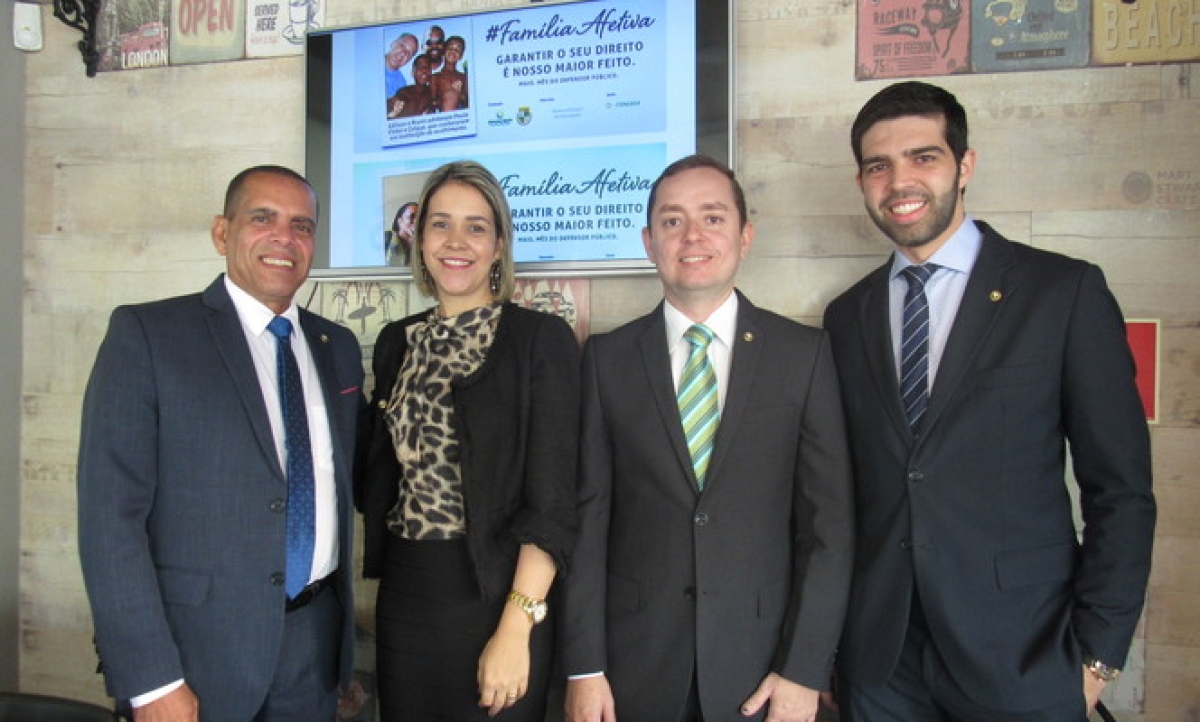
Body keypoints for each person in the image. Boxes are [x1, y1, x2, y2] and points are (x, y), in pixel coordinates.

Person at [823, 81, 1157, 720]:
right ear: (861, 180)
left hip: (1023, 657)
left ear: (964, 165)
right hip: (882, 664)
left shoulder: (1063, 293)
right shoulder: (848, 316)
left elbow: (1122, 490)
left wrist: (1097, 659)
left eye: (924, 157)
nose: (900, 182)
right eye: (878, 165)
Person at [561, 154, 854, 722]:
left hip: (764, 673)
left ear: (745, 237)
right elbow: (588, 522)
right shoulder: (606, 360)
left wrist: (803, 669)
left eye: (713, 218)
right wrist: (584, 666)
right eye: (672, 221)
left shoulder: (804, 356)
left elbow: (829, 528)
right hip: (632, 673)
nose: (692, 236)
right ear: (649, 242)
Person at [77, 165, 364, 721]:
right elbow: (109, 522)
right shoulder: (149, 336)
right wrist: (151, 680)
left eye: (302, 226)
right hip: (194, 657)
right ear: (221, 233)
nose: (285, 238)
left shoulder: (339, 347)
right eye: (264, 218)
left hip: (313, 648)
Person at [357, 160, 580, 721]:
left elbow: (552, 503)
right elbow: (380, 475)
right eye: (440, 224)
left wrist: (516, 625)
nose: (456, 242)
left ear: (499, 245)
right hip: (406, 595)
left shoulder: (539, 340)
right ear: (419, 238)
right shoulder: (395, 342)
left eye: (476, 227)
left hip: (496, 596)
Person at [388, 53, 434, 120]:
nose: (424, 70)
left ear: (430, 72)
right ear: (413, 73)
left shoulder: (433, 92)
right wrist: (392, 113)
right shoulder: (404, 92)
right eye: (420, 67)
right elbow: (391, 105)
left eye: (427, 67)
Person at [431, 36, 468, 112]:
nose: (453, 51)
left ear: (461, 56)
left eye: (457, 50)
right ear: (444, 51)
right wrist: (445, 98)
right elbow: (431, 101)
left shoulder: (464, 77)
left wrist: (460, 94)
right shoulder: (435, 77)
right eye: (450, 48)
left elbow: (468, 102)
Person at [384, 33, 419, 101]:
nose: (403, 53)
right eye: (402, 46)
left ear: (409, 60)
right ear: (393, 43)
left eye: (409, 53)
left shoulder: (402, 86)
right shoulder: (369, 62)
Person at [387, 201, 418, 266]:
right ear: (400, 221)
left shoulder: (424, 245)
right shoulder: (386, 239)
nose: (416, 221)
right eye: (411, 217)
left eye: (420, 218)